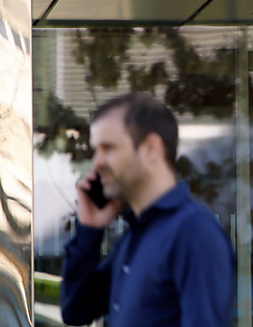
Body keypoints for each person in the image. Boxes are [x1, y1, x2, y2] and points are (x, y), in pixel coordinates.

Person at [60, 92, 235, 327]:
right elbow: (76, 312)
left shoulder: (194, 232)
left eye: (108, 148)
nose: (97, 163)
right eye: (96, 150)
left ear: (151, 148)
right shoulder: (134, 236)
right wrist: (89, 231)